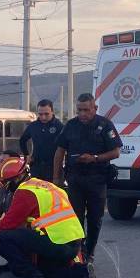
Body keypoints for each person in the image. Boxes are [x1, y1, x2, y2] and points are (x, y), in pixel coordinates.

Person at [0, 156, 96, 278]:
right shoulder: (45, 185)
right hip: (73, 243)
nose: (5, 188)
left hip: (57, 242)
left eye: (6, 183)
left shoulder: (25, 192)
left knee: (4, 235)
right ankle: (82, 273)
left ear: (16, 179)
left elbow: (9, 222)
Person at [52, 93, 121, 262]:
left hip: (97, 179)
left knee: (95, 218)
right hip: (75, 178)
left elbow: (116, 152)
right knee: (75, 217)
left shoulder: (104, 125)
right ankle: (78, 251)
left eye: (86, 110)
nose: (82, 114)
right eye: (79, 110)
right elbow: (60, 151)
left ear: (94, 109)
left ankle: (90, 251)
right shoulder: (71, 125)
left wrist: (95, 158)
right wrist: (56, 178)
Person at [19, 99, 63, 181]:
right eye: (40, 114)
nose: (43, 117)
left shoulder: (59, 126)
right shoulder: (34, 126)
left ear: (52, 112)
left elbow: (66, 146)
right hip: (36, 167)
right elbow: (22, 140)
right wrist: (27, 155)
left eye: (46, 114)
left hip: (53, 168)